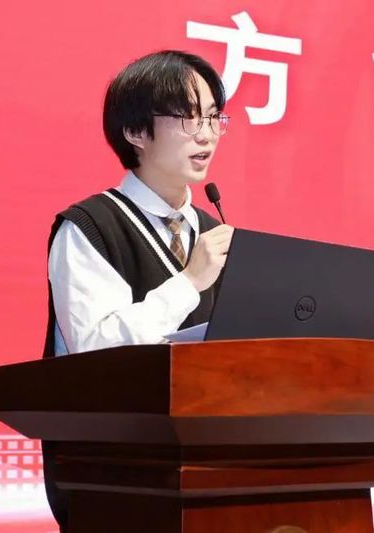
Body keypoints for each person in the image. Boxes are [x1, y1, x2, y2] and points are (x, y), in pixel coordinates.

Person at [40, 50, 234, 530]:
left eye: (214, 117)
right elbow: (94, 351)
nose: (206, 134)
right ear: (136, 132)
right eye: (188, 118)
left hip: (215, 465)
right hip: (118, 474)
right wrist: (189, 282)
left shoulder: (213, 232)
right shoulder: (90, 227)